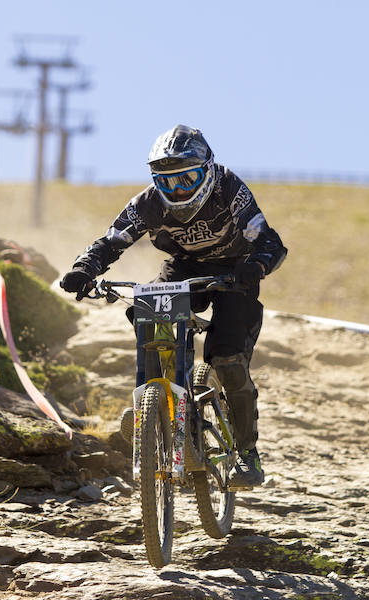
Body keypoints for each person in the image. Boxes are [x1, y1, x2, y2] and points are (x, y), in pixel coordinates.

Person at [60, 124, 287, 489]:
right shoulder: (148, 204)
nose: (177, 190)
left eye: (186, 179)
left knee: (228, 358)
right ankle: (157, 407)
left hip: (234, 273)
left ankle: (246, 453)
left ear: (208, 170)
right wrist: (83, 269)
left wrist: (256, 264)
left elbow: (268, 240)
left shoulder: (229, 188)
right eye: (167, 183)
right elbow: (111, 241)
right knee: (148, 317)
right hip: (182, 269)